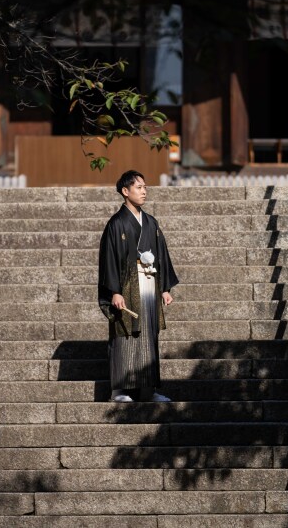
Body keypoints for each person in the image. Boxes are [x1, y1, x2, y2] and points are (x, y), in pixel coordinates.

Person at [98, 170, 179, 403]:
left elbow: (161, 254)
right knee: (125, 333)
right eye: (139, 187)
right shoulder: (116, 224)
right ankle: (119, 390)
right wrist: (115, 291)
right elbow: (109, 259)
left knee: (148, 333)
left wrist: (164, 288)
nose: (144, 191)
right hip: (126, 286)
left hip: (149, 282)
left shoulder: (151, 222)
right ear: (125, 191)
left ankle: (147, 390)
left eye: (145, 187)